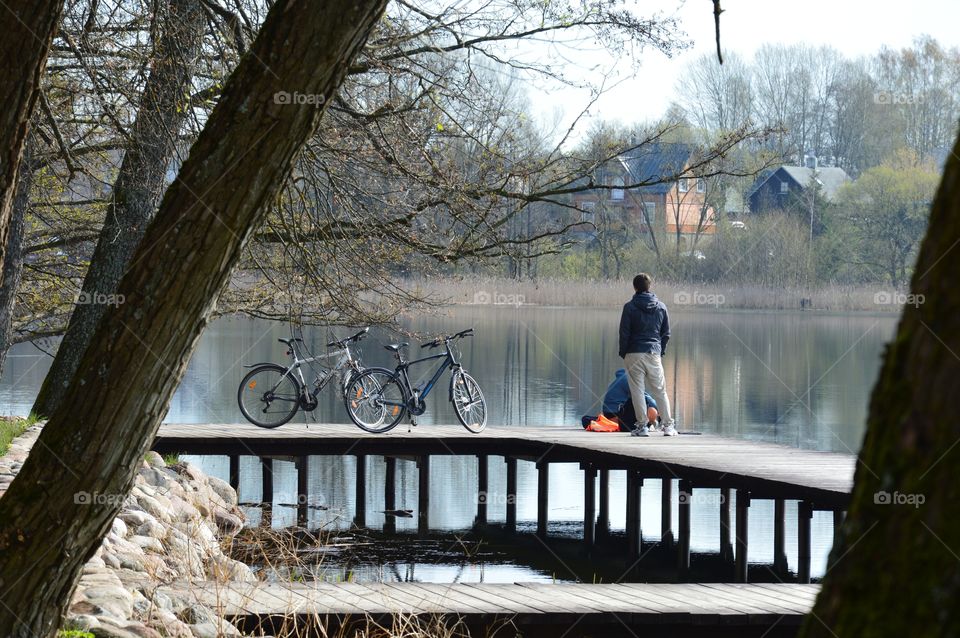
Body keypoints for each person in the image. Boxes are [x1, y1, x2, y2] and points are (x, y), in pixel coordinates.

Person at [618, 273, 677, 437]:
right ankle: (668, 426)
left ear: (634, 287)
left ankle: (642, 427)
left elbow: (624, 333)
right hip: (653, 352)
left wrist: (624, 352)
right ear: (649, 286)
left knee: (637, 390)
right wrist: (661, 350)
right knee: (660, 390)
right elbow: (666, 334)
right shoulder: (661, 307)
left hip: (633, 352)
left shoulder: (629, 307)